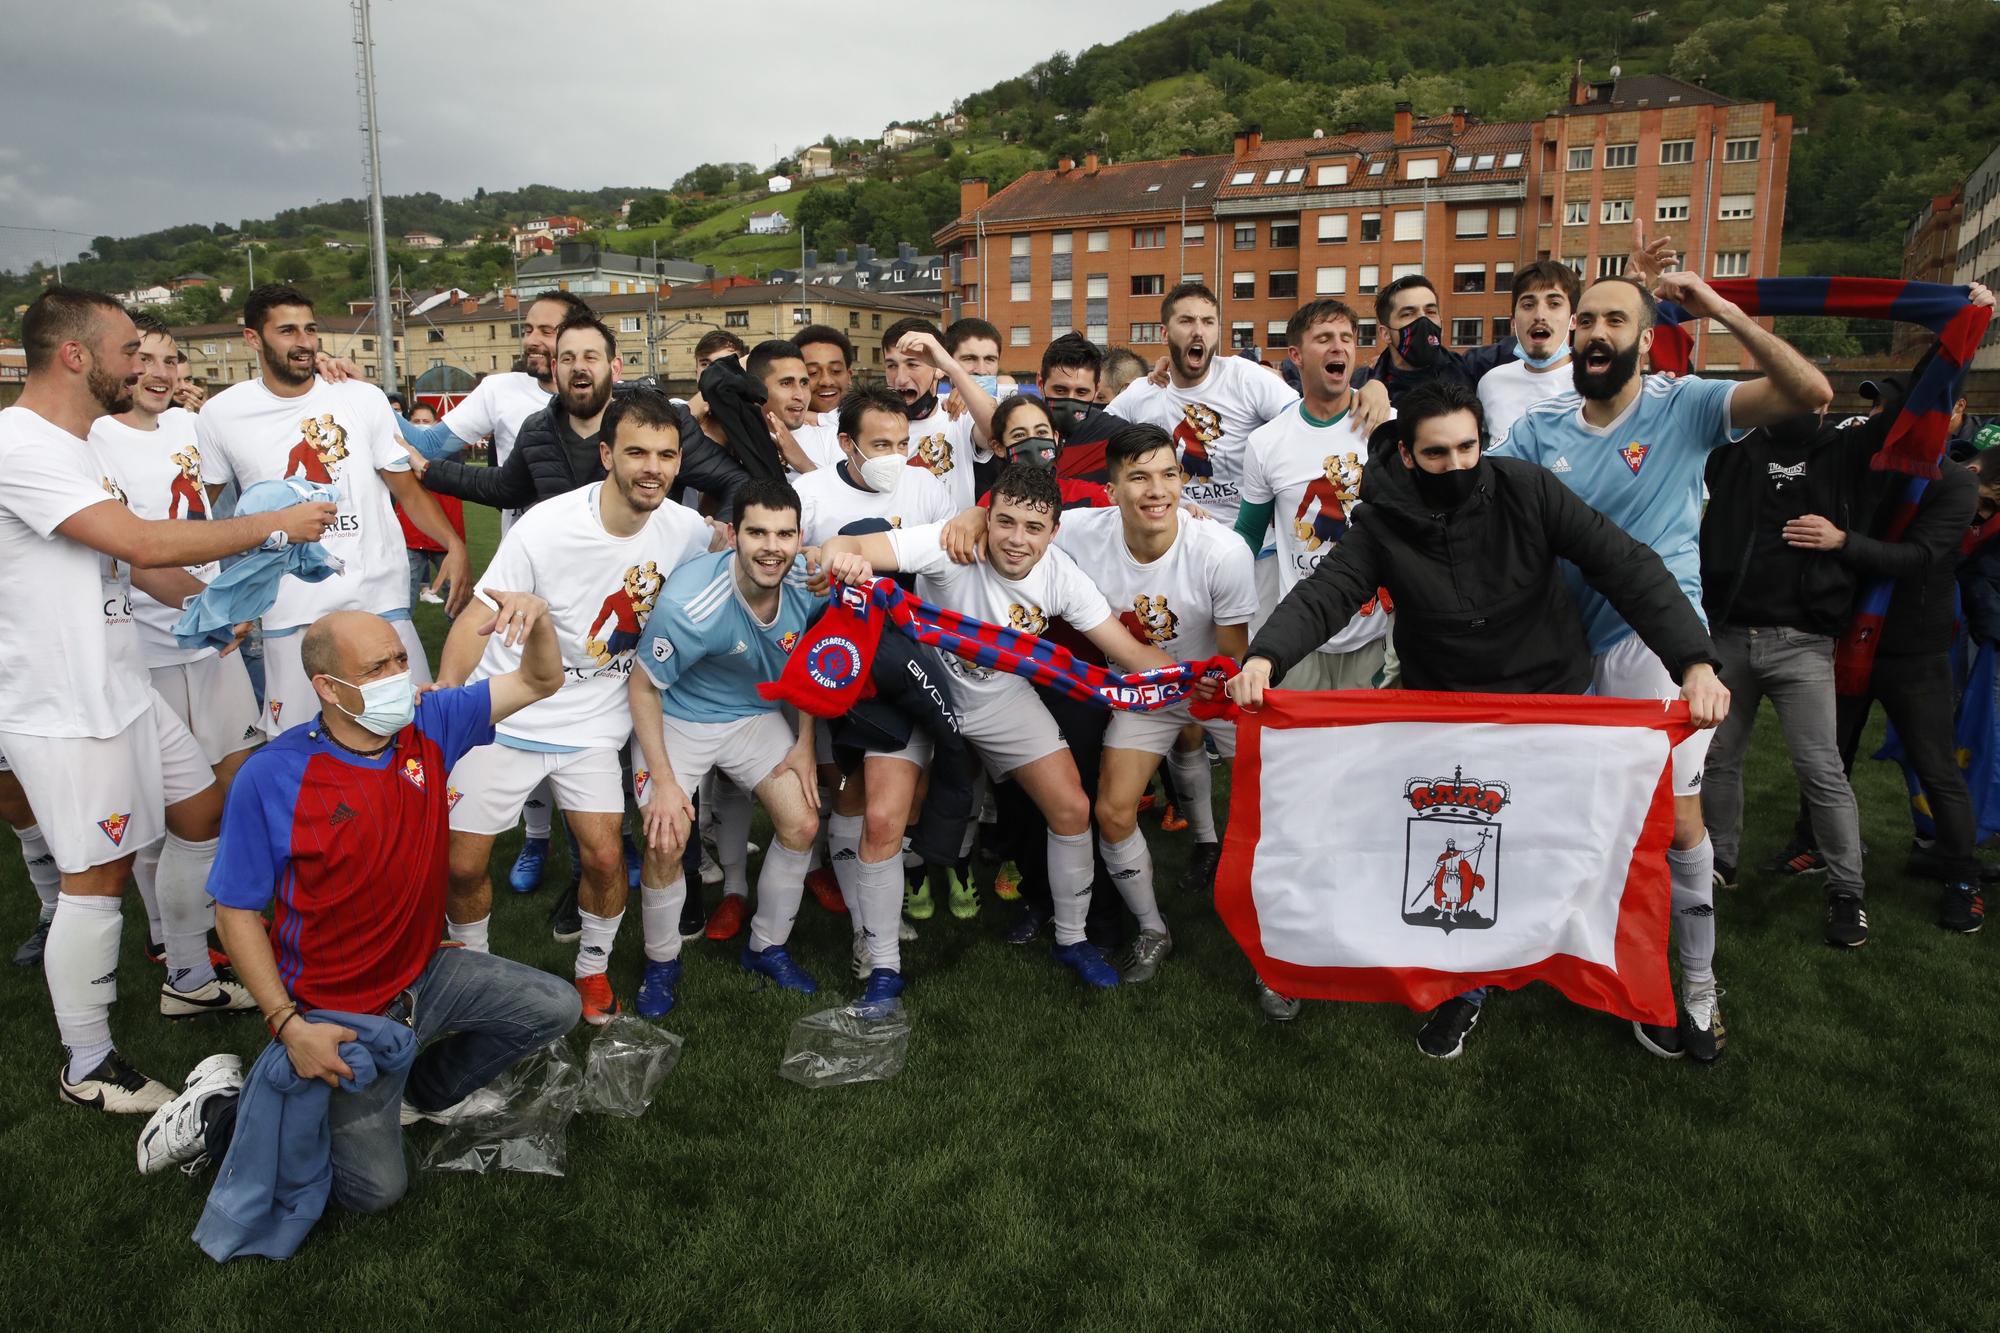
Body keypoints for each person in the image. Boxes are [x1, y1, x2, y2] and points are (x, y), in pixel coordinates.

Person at [1230, 380, 1728, 1048]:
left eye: (1468, 447)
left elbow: (1625, 565)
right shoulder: (1379, 518)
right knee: (1462, 842)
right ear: (1405, 454)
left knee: (1572, 837)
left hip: (1549, 696)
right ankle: (1466, 979)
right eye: (1437, 454)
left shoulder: (1527, 488)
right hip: (1450, 709)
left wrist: (1692, 660)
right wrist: (1266, 656)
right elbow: (1329, 592)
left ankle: (1607, 963)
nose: (1457, 465)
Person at [0, 286, 335, 1111]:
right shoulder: (22, 443)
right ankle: (89, 1063)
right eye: (125, 350)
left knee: (200, 811)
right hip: (66, 702)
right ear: (75, 355)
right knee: (98, 874)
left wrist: (209, 609)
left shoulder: (75, 444)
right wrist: (275, 526)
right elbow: (140, 537)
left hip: (119, 685)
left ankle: (187, 975)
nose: (141, 365)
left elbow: (135, 562)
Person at [133, 601, 581, 1215]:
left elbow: (540, 679)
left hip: (424, 974)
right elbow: (234, 914)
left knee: (557, 1006)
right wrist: (290, 1026)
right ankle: (218, 1108)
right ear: (328, 687)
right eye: (378, 668)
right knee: (374, 1193)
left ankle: (423, 1090)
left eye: (401, 658)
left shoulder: (430, 723)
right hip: (333, 1009)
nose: (401, 676)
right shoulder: (274, 776)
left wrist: (542, 623)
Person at [1493, 270, 1834, 1060]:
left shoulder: (1684, 404)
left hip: (1660, 650)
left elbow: (1808, 391)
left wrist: (1715, 308)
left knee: (1678, 822)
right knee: (1580, 818)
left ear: (1647, 337)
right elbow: (1477, 488)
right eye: (1586, 320)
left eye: (1616, 319)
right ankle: (1578, 959)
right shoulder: (1542, 429)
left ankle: (1700, 987)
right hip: (1566, 651)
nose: (1595, 332)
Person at [821, 463, 1178, 989]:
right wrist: (843, 562)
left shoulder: (1062, 576)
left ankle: (1072, 938)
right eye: (1005, 522)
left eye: (1033, 528)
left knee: (1073, 808)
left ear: (1054, 533)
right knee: (881, 820)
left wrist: (1199, 678)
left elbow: (1126, 651)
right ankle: (881, 964)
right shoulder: (951, 544)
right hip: (920, 693)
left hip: (998, 700)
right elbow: (843, 546)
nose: (1016, 540)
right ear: (986, 519)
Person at [435, 389, 713, 1023]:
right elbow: (480, 611)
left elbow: (728, 570)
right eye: (638, 452)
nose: (654, 468)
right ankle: (474, 969)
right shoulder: (548, 524)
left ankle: (592, 969)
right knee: (463, 864)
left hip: (594, 720)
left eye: (667, 455)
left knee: (607, 854)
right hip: (511, 711)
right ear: (606, 453)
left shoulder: (686, 530)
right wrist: (453, 696)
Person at [197, 284, 469, 738]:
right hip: (291, 614)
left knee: (414, 737)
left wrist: (454, 544)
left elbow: (405, 490)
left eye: (309, 329)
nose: (303, 342)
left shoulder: (360, 398)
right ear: (252, 338)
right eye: (287, 331)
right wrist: (221, 595)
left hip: (379, 603)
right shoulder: (221, 414)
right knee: (303, 752)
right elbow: (203, 514)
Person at [90, 311, 265, 994]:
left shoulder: (192, 428)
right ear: (124, 364)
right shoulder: (97, 439)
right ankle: (173, 942)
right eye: (148, 358)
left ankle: (204, 925)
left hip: (211, 645)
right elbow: (126, 551)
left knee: (226, 791)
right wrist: (209, 606)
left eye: (173, 361)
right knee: (162, 810)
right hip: (148, 645)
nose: (161, 373)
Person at [1053, 423, 1258, 981]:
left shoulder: (1222, 550)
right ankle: (1152, 928)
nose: (1156, 490)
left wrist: (1213, 690)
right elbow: (1014, 520)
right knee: (1113, 811)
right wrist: (976, 515)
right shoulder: (1078, 529)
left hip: (1215, 686)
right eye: (1138, 477)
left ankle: (1260, 906)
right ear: (1111, 489)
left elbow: (1232, 655)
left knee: (1269, 804)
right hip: (1144, 692)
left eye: (1168, 474)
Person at [628, 479, 826, 1008]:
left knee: (803, 821)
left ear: (799, 536)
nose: (772, 547)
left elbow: (813, 665)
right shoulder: (692, 602)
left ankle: (766, 945)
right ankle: (662, 960)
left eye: (784, 534)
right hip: (679, 716)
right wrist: (666, 784)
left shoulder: (808, 580)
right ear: (734, 534)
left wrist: (805, 742)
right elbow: (643, 685)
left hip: (753, 716)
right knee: (665, 837)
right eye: (757, 532)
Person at [795, 385, 960, 965]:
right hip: (832, 665)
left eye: (903, 442)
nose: (896, 455)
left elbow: (950, 556)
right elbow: (791, 574)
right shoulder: (809, 494)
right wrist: (817, 568)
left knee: (893, 799)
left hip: (904, 664)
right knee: (843, 788)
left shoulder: (928, 486)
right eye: (880, 444)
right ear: (846, 443)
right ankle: (864, 925)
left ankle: (875, 911)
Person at [1238, 298, 1394, 690]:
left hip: (1372, 630)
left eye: (1346, 337)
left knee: (1368, 747)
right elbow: (1248, 535)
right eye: (1324, 338)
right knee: (1299, 748)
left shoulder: (1389, 426)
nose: (1338, 346)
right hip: (1301, 633)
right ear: (1295, 355)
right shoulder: (1267, 442)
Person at [1107, 282, 1300, 531]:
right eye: (1186, 321)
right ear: (1165, 333)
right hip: (1180, 542)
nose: (1198, 331)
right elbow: (1093, 437)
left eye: (1208, 322)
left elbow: (1306, 420)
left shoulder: (1244, 377)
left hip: (1253, 541)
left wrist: (1366, 389)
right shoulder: (1145, 391)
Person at [393, 290, 588, 529]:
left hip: (596, 556)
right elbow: (429, 447)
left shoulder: (618, 402)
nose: (530, 340)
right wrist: (368, 395)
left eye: (546, 331)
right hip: (522, 557)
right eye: (528, 330)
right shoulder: (500, 390)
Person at [885, 316, 998, 509]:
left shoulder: (958, 415)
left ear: (938, 369)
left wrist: (952, 368)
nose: (901, 379)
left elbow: (997, 433)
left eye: (913, 364)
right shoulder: (868, 422)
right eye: (891, 365)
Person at [1478, 262, 1582, 446]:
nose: (1540, 315)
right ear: (1513, 322)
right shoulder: (1490, 383)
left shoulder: (1594, 382)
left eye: (1554, 304)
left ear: (1573, 320)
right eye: (1528, 305)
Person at [396, 402, 466, 608]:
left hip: (446, 536)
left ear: (436, 424)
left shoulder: (451, 451)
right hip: (410, 536)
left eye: (426, 422)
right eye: (416, 422)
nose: (421, 426)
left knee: (457, 599)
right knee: (402, 599)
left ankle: (461, 639)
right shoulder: (398, 454)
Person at [792, 324, 857, 467]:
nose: (826, 381)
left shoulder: (869, 421)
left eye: (836, 370)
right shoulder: (780, 431)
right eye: (813, 372)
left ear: (849, 376)